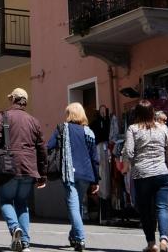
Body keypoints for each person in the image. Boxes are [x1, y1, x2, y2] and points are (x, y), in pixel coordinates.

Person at [0, 87, 47, 252]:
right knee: (22, 203)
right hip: (29, 167)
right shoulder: (33, 121)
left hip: (9, 166)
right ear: (25, 102)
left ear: (12, 99)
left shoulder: (3, 117)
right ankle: (25, 243)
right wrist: (43, 174)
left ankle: (15, 228)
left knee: (6, 200)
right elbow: (42, 149)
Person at [122, 99, 168, 252]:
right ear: (152, 112)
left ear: (136, 114)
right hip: (162, 172)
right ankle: (164, 239)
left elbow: (129, 151)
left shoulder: (133, 128)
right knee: (163, 208)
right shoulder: (162, 127)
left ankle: (151, 244)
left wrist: (125, 167)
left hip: (142, 174)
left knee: (145, 211)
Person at [47, 102, 99, 252]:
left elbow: (49, 146)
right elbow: (94, 158)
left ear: (69, 114)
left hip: (70, 173)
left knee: (74, 207)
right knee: (77, 207)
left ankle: (80, 240)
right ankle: (73, 235)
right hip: (86, 175)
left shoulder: (62, 128)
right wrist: (96, 180)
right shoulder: (89, 132)